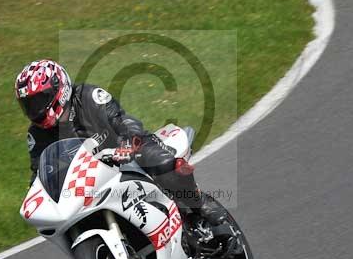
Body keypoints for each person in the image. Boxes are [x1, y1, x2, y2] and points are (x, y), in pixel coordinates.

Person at [14, 59, 228, 227]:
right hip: (92, 181)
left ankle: (200, 204)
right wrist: (38, 194)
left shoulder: (88, 96)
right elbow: (40, 172)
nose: (35, 109)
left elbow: (121, 119)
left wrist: (127, 143)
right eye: (28, 105)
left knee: (163, 163)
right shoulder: (37, 135)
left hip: (127, 152)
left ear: (58, 89)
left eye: (38, 100)